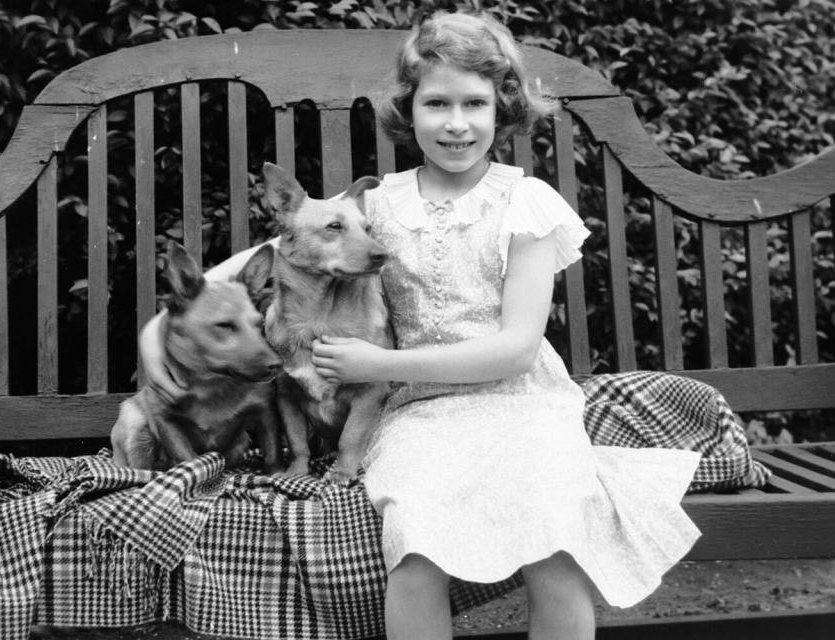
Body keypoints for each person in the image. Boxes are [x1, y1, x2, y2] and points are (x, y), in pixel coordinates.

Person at [138, 11, 701, 640]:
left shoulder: (527, 204)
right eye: (437, 103)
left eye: (475, 103)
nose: (456, 123)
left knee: (559, 545)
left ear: (503, 108)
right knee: (414, 545)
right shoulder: (375, 206)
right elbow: (261, 259)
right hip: (418, 415)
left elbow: (517, 350)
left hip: (522, 404)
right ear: (409, 110)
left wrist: (380, 367)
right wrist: (154, 332)